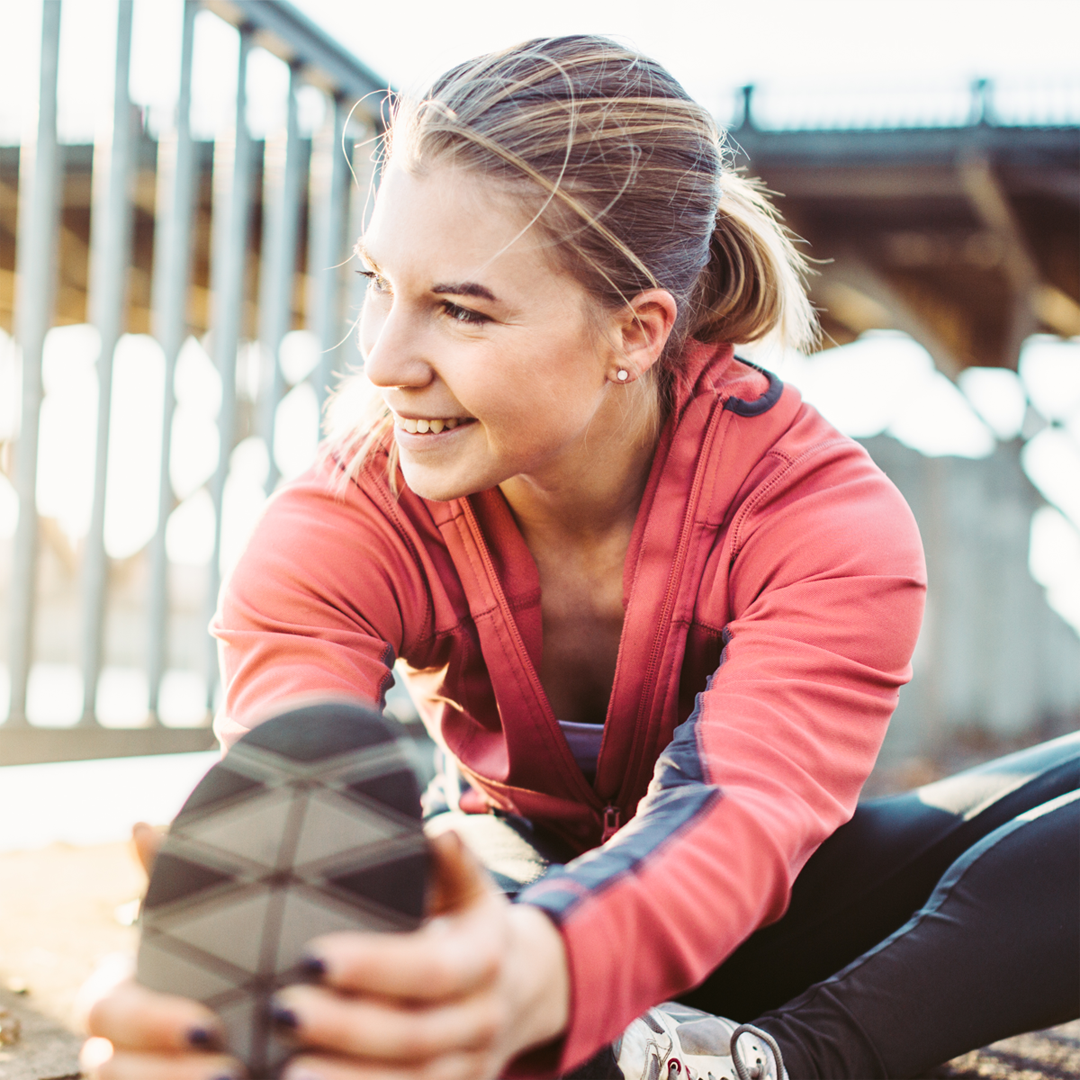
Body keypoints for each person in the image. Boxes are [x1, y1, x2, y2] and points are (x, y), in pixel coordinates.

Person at [83, 35, 1079, 1080]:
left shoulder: (826, 518)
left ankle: (773, 1060)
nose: (381, 361)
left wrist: (548, 968)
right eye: (382, 283)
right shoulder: (341, 516)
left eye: (461, 309)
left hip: (764, 917)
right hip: (494, 897)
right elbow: (287, 784)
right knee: (345, 818)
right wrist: (225, 975)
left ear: (637, 332)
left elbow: (743, 815)